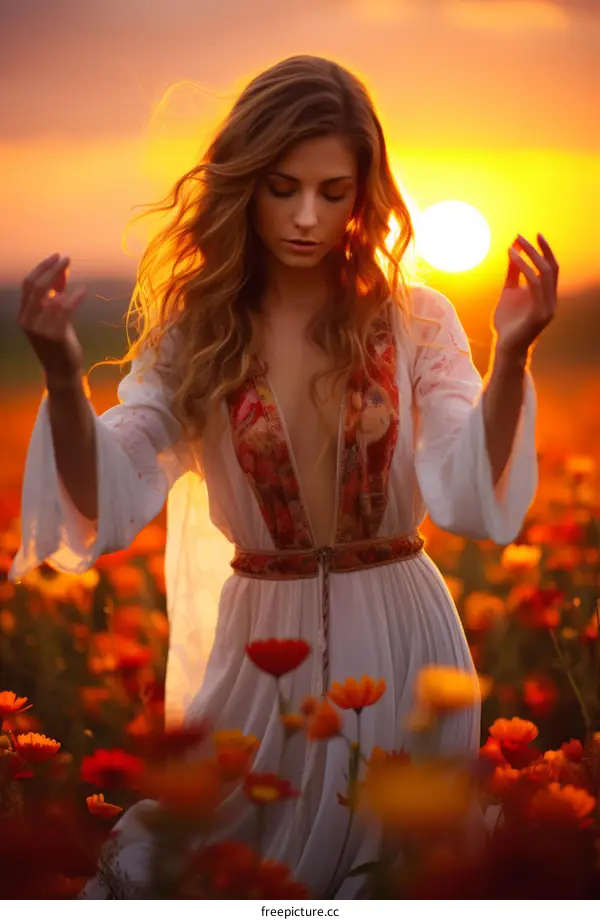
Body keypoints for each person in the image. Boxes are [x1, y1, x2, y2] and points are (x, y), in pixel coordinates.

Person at [9, 54, 558, 898]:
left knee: (403, 876)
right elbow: (102, 498)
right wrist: (57, 376)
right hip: (260, 649)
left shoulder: (415, 318)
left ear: (365, 193)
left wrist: (513, 353)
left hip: (405, 638)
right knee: (214, 871)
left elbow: (467, 486)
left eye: (334, 192)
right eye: (281, 187)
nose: (307, 215)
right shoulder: (199, 332)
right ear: (243, 184)